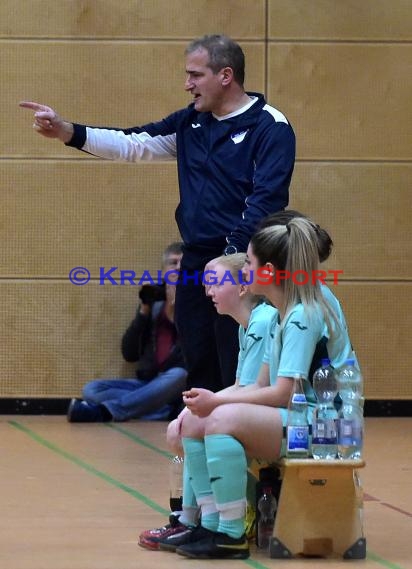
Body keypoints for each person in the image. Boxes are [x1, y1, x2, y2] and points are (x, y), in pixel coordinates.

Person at [20, 33, 296, 396]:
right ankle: (203, 448)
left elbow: (267, 200)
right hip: (197, 259)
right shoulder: (190, 123)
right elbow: (132, 144)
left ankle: (247, 447)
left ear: (225, 76)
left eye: (195, 75)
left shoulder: (270, 126)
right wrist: (67, 131)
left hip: (243, 261)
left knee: (239, 360)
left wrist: (231, 258)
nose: (188, 85)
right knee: (198, 359)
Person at [157, 217, 358, 560]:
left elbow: (282, 393)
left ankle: (231, 534)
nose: (244, 269)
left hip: (325, 426)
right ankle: (210, 524)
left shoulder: (301, 316)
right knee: (201, 420)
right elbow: (258, 384)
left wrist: (216, 405)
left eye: (249, 262)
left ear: (268, 271)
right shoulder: (280, 314)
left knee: (221, 420)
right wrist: (208, 402)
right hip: (300, 418)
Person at [138, 253, 277, 550]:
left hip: (282, 416)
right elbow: (242, 386)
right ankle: (194, 521)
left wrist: (204, 407)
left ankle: (213, 523)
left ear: (242, 288)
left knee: (196, 422)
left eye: (214, 283)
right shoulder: (246, 325)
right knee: (189, 420)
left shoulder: (263, 321)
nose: (207, 291)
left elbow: (253, 390)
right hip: (267, 411)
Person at [67, 242, 187, 422]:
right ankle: (161, 410)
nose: (178, 268)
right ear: (163, 271)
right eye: (173, 263)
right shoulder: (154, 302)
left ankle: (108, 412)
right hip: (148, 383)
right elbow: (130, 353)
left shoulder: (200, 305)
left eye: (183, 264)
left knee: (179, 374)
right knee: (92, 390)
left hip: (177, 385)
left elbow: (192, 357)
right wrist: (144, 311)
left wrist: (179, 312)